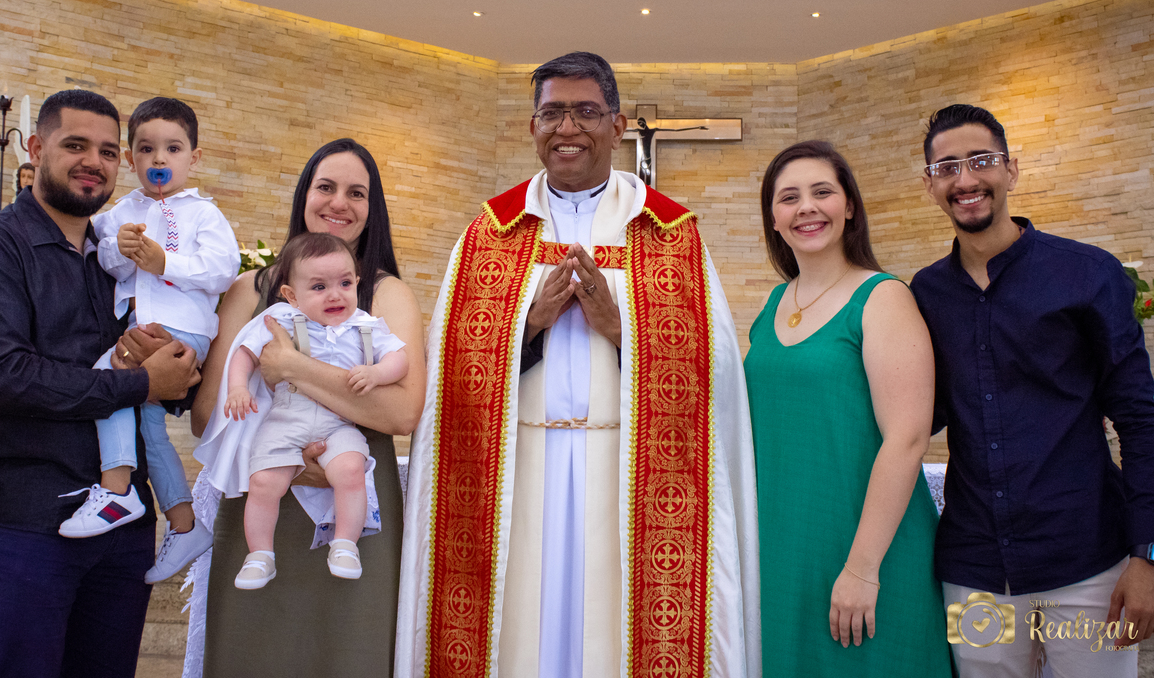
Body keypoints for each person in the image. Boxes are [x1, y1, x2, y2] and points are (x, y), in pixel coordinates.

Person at [396, 51, 759, 677]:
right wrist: (526, 326)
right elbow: (451, 371)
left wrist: (621, 330)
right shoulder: (490, 232)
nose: (568, 128)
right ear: (532, 126)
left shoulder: (668, 231)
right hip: (518, 470)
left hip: (627, 471)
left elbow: (713, 370)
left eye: (586, 112)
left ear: (617, 127)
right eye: (552, 113)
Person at [147, 138, 424, 678]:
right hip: (262, 492)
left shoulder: (388, 296)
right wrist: (292, 458)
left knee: (350, 652)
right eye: (326, 186)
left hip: (353, 500)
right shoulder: (248, 289)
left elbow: (401, 415)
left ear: (373, 209)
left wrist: (295, 369)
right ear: (304, 194)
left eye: (357, 192)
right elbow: (209, 415)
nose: (339, 202)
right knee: (252, 653)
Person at [0, 89, 199, 678]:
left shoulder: (120, 259)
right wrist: (140, 382)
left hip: (125, 531)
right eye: (76, 145)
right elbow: (1, 380)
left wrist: (182, 364)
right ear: (36, 149)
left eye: (109, 151)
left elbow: (170, 386)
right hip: (26, 525)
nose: (94, 161)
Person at [911, 104, 1154, 676]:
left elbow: (1142, 419)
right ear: (930, 185)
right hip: (973, 574)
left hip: (1088, 563)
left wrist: (1147, 556)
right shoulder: (924, 293)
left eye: (981, 161)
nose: (966, 179)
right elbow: (922, 413)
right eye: (947, 167)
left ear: (1011, 170)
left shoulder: (1088, 273)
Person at [744, 140, 952, 676]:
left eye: (822, 192)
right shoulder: (773, 305)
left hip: (867, 545)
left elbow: (907, 438)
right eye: (788, 197)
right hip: (787, 544)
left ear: (850, 205)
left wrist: (862, 569)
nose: (806, 208)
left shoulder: (883, 298)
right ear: (773, 217)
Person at [59, 98, 239, 587]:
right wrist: (123, 250)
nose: (159, 160)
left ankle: (115, 489)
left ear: (193, 158)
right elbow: (109, 268)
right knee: (149, 424)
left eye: (172, 149)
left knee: (107, 374)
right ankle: (184, 524)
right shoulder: (121, 212)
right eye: (146, 149)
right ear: (131, 158)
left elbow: (223, 269)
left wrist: (165, 262)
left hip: (180, 332)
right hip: (141, 330)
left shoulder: (203, 212)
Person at [195, 232, 407, 590]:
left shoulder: (364, 325)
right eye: (319, 287)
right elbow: (244, 352)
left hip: (338, 420)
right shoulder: (281, 319)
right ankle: (260, 554)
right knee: (264, 480)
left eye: (344, 283)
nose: (335, 294)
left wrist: (376, 373)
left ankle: (344, 544)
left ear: (356, 282)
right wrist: (237, 387)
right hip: (286, 415)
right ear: (292, 295)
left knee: (351, 469)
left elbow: (399, 358)